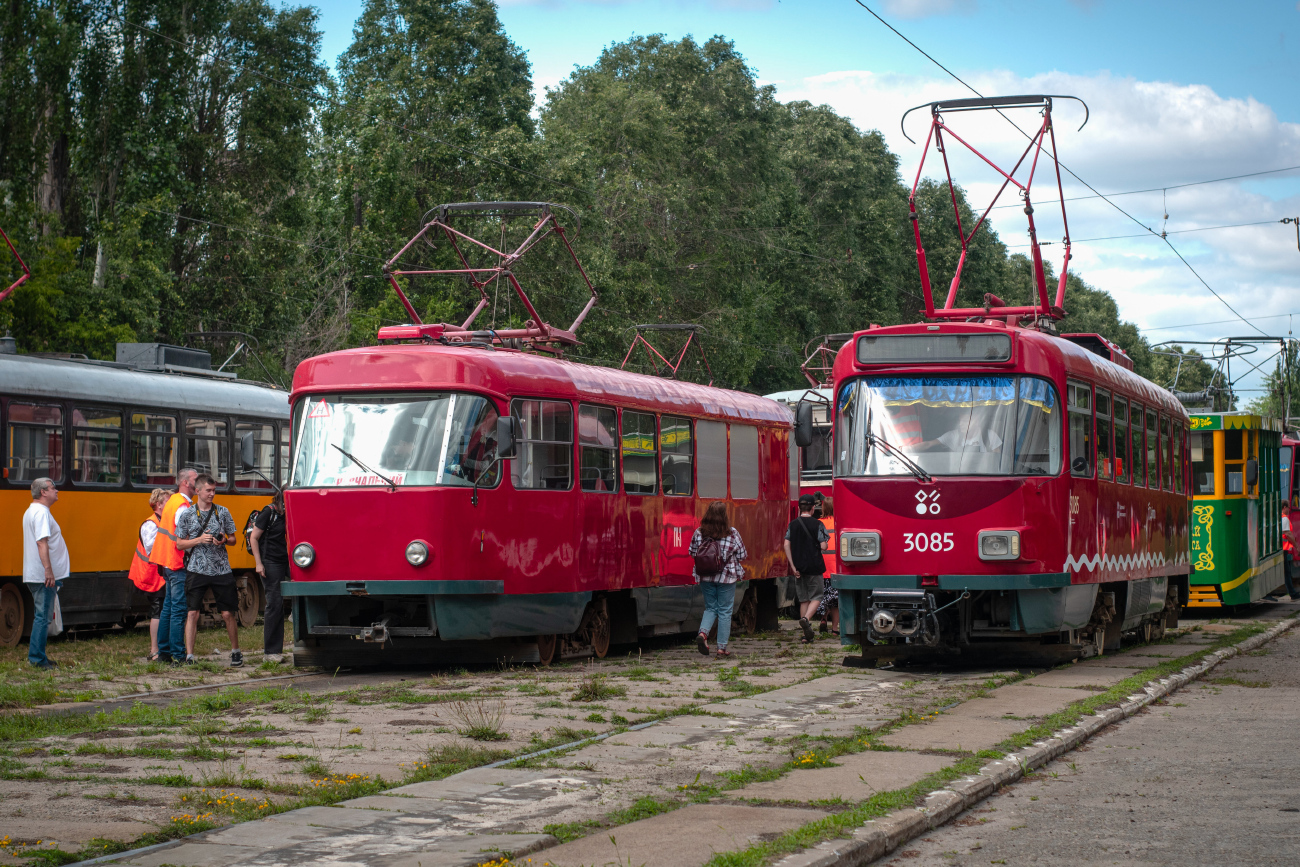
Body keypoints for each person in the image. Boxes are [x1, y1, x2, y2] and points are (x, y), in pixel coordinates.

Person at [176, 473, 242, 666]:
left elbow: (233, 539)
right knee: (192, 613)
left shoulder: (223, 512)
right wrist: (198, 540)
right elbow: (179, 544)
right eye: (208, 490)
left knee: (228, 613)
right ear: (197, 491)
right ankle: (190, 656)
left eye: (214, 490)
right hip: (196, 569)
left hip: (221, 569)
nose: (212, 494)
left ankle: (236, 652)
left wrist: (224, 540)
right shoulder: (187, 514)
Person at [150, 468, 198, 663]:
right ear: (186, 482)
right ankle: (178, 655)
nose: (199, 483)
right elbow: (185, 535)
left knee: (168, 608)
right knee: (177, 609)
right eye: (196, 480)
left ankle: (164, 653)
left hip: (167, 562)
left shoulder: (173, 501)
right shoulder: (183, 506)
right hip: (177, 563)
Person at [689, 501, 747, 659]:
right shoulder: (732, 533)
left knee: (710, 608)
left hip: (705, 576)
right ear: (724, 516)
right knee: (725, 611)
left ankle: (703, 633)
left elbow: (692, 552)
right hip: (726, 577)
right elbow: (742, 555)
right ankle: (721, 648)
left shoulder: (699, 533)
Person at [22, 478, 69, 668]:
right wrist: (48, 571)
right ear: (43, 492)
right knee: (42, 617)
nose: (56, 491)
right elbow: (42, 542)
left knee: (41, 616)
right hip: (43, 576)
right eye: (53, 488)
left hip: (37, 573)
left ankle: (39, 656)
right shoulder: (41, 513)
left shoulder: (32, 511)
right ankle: (37, 659)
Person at [129, 489, 171, 661]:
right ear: (159, 504)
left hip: (160, 574)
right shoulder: (151, 524)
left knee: (162, 610)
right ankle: (155, 650)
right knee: (157, 611)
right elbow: (151, 549)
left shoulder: (163, 522)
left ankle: (162, 648)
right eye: (168, 502)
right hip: (152, 575)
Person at [785, 493, 830, 643]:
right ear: (812, 509)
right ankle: (806, 619)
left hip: (798, 568)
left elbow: (786, 544)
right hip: (814, 566)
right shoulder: (818, 524)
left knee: (804, 599)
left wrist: (792, 566)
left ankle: (805, 634)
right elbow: (824, 545)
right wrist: (822, 545)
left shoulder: (793, 524)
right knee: (817, 596)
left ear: (799, 508)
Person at [250, 491, 288, 663]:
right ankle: (271, 652)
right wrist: (259, 563)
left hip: (287, 560)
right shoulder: (269, 512)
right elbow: (254, 537)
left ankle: (277, 650)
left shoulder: (290, 513)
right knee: (274, 603)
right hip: (270, 562)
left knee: (280, 603)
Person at [815, 497, 840, 635]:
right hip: (836, 569)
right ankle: (835, 629)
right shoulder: (839, 523)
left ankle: (823, 619)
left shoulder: (818, 524)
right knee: (836, 602)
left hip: (821, 568)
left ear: (823, 509)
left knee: (822, 597)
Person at [1279, 503, 1300, 601]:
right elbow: (1288, 534)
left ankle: (1292, 593)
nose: (1289, 509)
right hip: (1284, 550)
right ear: (1284, 507)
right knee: (1287, 573)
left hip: (1282, 549)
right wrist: (1296, 546)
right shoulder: (1284, 519)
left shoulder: (1279, 518)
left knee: (1287, 572)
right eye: (1288, 507)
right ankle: (1293, 594)